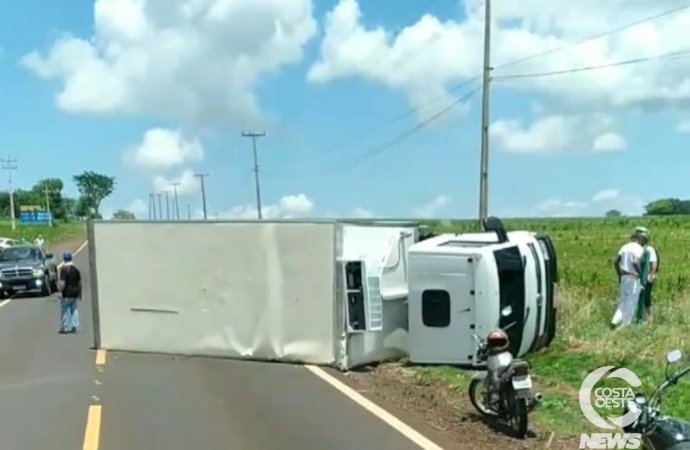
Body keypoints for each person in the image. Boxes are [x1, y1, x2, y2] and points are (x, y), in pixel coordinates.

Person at [611, 230, 645, 328]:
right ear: (640, 240)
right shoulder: (639, 249)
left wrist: (619, 274)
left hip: (624, 276)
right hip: (633, 277)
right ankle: (625, 325)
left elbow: (616, 261)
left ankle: (615, 321)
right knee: (631, 301)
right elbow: (635, 262)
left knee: (623, 300)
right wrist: (641, 274)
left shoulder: (625, 246)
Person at [635, 227, 658, 321]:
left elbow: (654, 262)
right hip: (636, 277)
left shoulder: (649, 249)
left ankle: (649, 317)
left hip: (646, 277)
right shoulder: (635, 248)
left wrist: (652, 275)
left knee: (646, 297)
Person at [58, 252, 82, 334]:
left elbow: (62, 282)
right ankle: (75, 326)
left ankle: (65, 326)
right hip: (75, 293)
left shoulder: (64, 269)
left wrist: (60, 292)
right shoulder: (76, 269)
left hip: (67, 293)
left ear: (64, 259)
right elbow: (79, 282)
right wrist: (80, 293)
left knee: (64, 310)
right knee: (74, 309)